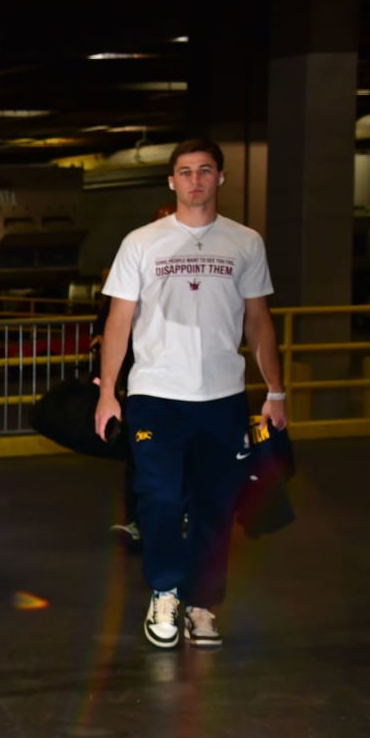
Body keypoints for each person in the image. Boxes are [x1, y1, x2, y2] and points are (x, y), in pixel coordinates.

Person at [93, 139, 285, 650]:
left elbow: (259, 321)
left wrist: (276, 390)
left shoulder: (245, 243)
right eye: (184, 172)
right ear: (171, 181)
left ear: (220, 178)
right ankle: (164, 591)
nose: (194, 180)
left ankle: (202, 603)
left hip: (222, 397)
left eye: (204, 171)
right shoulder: (142, 242)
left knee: (216, 504)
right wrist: (107, 392)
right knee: (157, 498)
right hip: (155, 394)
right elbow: (119, 321)